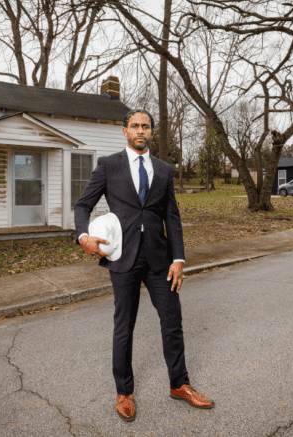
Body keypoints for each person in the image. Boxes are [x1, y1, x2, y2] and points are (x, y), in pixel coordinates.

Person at [74, 109, 214, 422]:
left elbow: (172, 216)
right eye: (135, 126)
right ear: (125, 131)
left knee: (172, 320)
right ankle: (124, 393)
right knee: (124, 327)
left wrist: (178, 258)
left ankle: (180, 384)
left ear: (151, 132)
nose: (140, 131)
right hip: (122, 257)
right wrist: (84, 236)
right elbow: (83, 205)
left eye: (146, 126)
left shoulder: (164, 170)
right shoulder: (108, 166)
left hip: (159, 259)